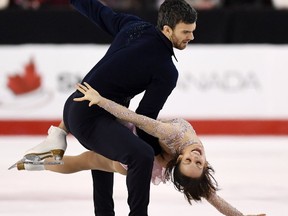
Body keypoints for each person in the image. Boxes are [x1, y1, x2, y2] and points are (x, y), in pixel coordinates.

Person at [16, 0, 198, 215]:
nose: (191, 37)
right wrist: (160, 154)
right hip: (90, 119)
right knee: (142, 155)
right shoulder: (166, 71)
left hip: (75, 106)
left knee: (108, 153)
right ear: (167, 30)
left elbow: (98, 11)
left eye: (192, 31)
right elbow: (144, 119)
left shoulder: (135, 25)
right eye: (186, 32)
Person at [16, 82, 265, 216]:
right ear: (205, 165)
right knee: (85, 160)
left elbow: (138, 120)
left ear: (179, 161)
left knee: (86, 161)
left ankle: (36, 161)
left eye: (189, 162)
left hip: (130, 158)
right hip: (135, 139)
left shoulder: (174, 137)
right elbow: (211, 196)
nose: (195, 158)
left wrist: (102, 101)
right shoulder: (185, 145)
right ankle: (38, 159)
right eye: (197, 163)